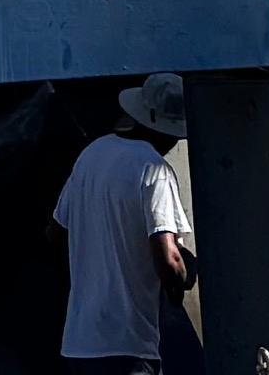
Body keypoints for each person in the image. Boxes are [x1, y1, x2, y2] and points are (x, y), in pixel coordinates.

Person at [52, 72, 194, 375]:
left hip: (79, 344)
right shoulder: (155, 169)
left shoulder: (91, 154)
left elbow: (57, 229)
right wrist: (184, 275)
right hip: (128, 347)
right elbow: (168, 260)